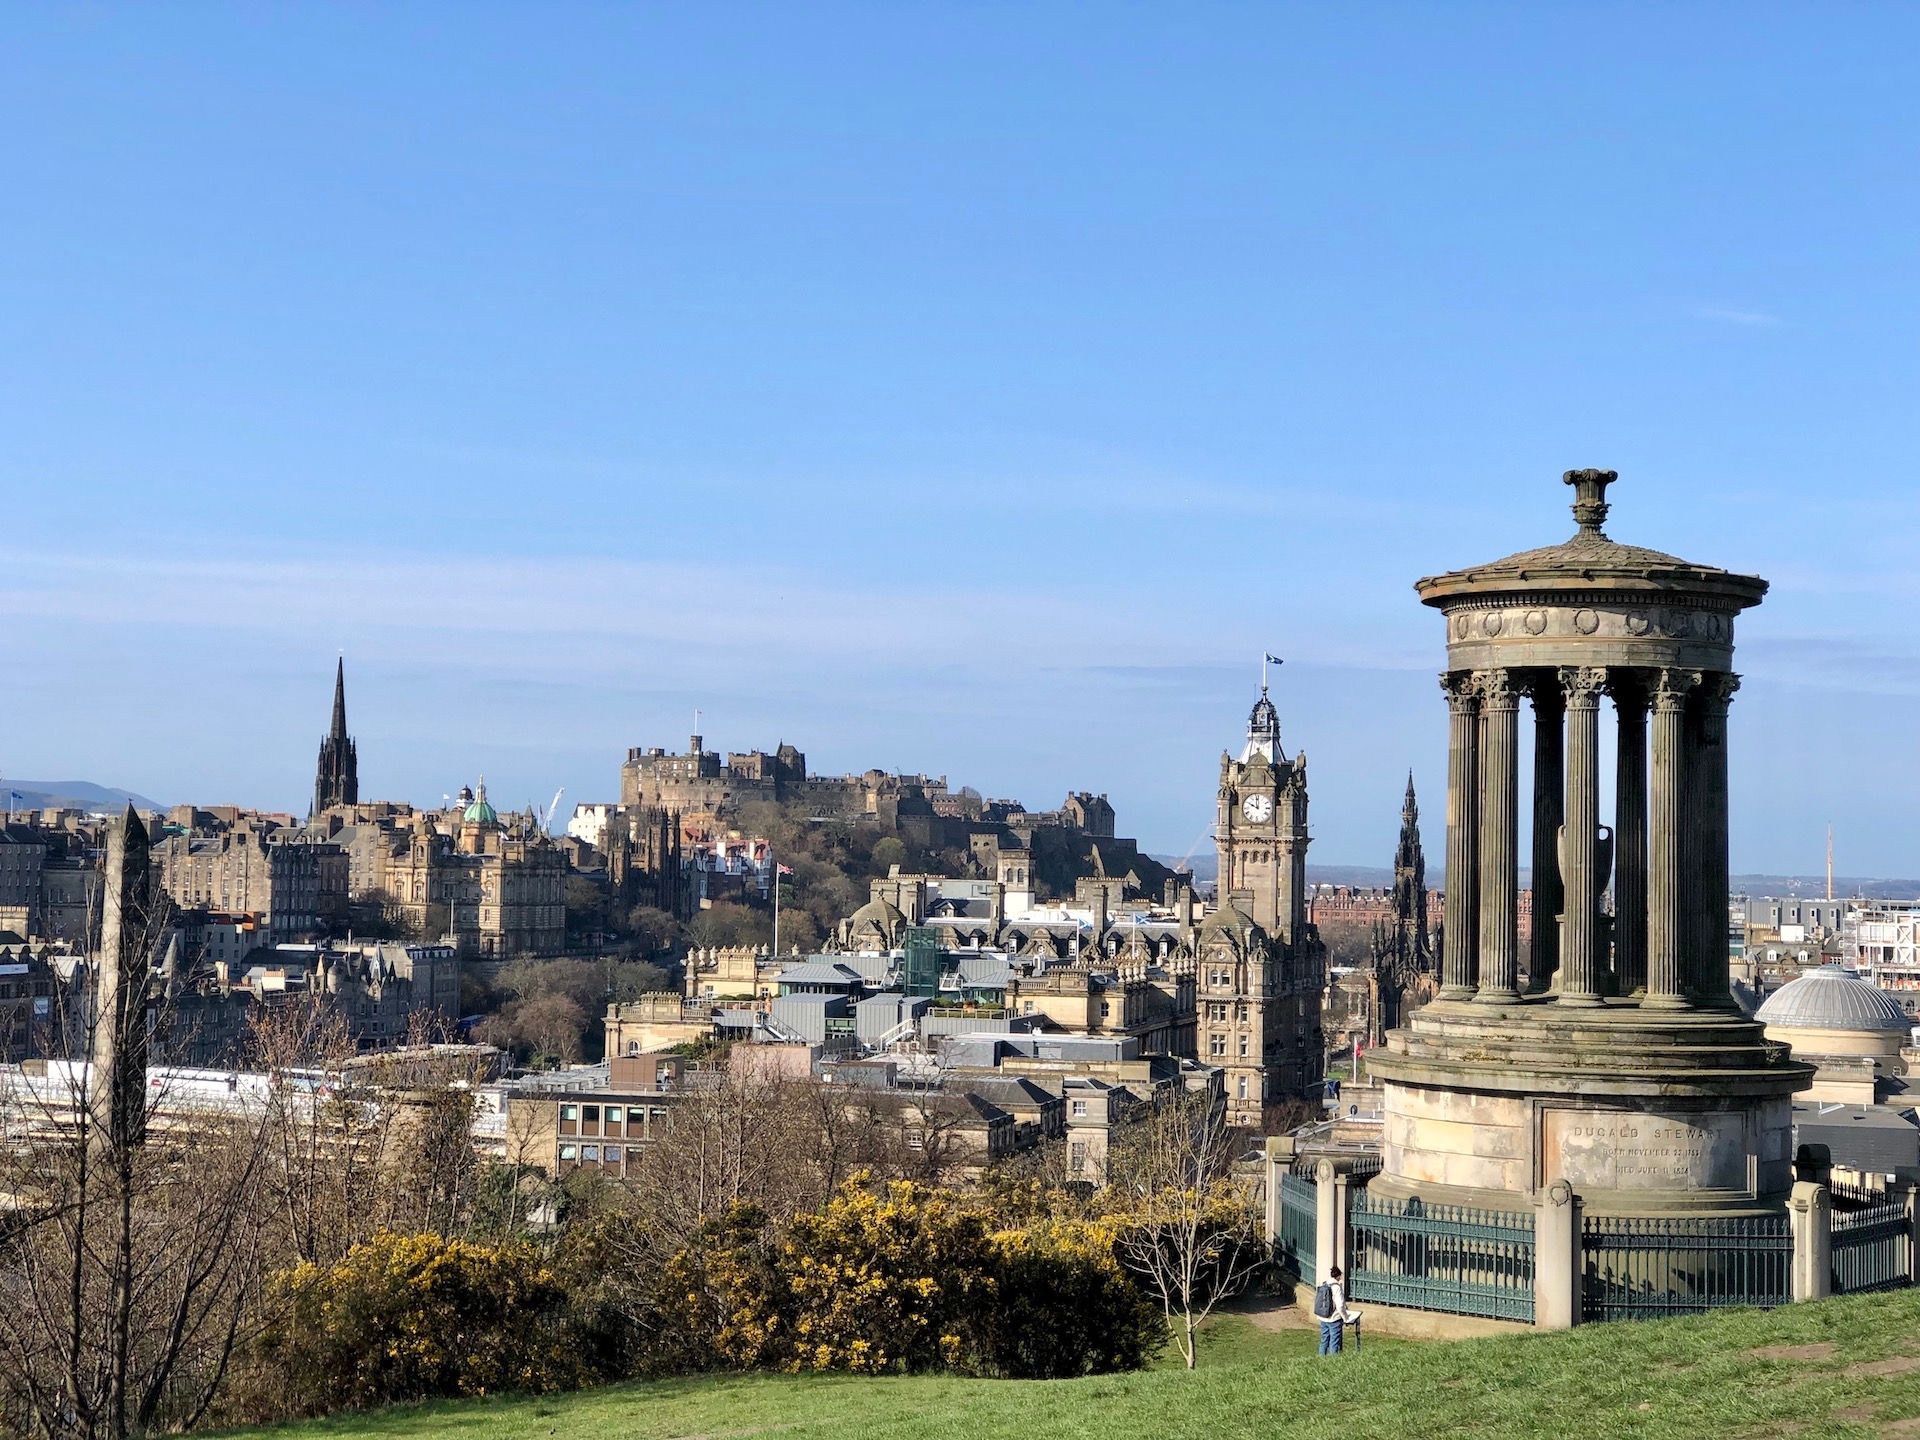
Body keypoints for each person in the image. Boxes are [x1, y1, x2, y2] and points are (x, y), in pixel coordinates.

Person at [1313, 1264, 1358, 1355]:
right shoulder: (1337, 1287)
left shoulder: (1324, 1284)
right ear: (1339, 1276)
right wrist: (1345, 1318)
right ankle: (1333, 1361)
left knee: (1324, 1340)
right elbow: (1340, 1305)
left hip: (1323, 1317)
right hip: (1334, 1318)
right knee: (1334, 1341)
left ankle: (1321, 1359)